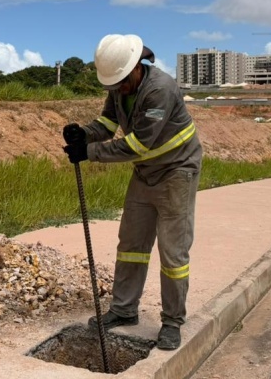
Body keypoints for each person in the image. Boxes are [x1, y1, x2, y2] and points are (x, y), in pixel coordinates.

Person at [62, 34, 202, 351]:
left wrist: (90, 153)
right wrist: (82, 133)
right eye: (113, 84)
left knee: (173, 252)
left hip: (177, 170)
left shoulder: (160, 90)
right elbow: (108, 123)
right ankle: (124, 310)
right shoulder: (120, 87)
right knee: (131, 243)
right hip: (146, 171)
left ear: (137, 66)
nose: (118, 88)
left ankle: (172, 322)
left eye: (122, 81)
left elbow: (139, 144)